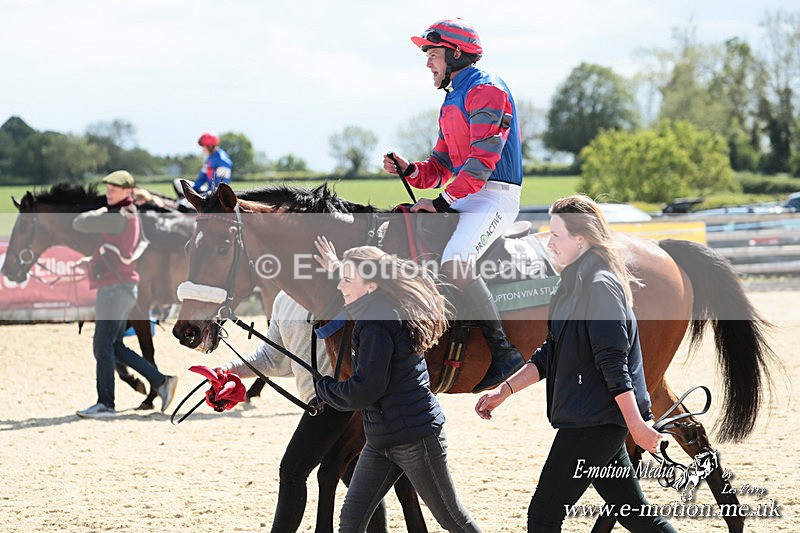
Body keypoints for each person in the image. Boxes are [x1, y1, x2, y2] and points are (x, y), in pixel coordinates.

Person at [474, 195, 677, 532]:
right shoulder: (572, 283)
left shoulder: (599, 286)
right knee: (635, 514)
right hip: (594, 417)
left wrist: (637, 425)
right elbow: (550, 352)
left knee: (544, 514)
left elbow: (613, 363)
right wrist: (504, 391)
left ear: (579, 239)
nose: (548, 243)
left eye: (556, 235)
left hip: (595, 420)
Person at [381, 18, 524, 392]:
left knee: (455, 261)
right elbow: (441, 166)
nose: (428, 63)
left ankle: (504, 352)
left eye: (433, 54)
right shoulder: (451, 100)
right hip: (466, 194)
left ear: (456, 53)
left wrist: (442, 203)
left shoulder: (487, 90)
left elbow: (481, 164)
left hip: (494, 195)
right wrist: (410, 168)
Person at [313, 242, 481, 533]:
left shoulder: (376, 323)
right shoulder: (373, 309)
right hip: (381, 439)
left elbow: (366, 389)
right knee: (351, 520)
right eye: (341, 277)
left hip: (414, 440)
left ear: (371, 286)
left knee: (453, 519)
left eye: (346, 280)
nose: (340, 285)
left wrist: (324, 388)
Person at [215, 290, 391, 532]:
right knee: (355, 478)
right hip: (318, 401)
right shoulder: (282, 299)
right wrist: (228, 370)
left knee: (292, 470)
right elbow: (272, 358)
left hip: (338, 398)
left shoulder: (335, 291)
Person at [73, 170, 178, 418]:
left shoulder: (118, 216)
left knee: (102, 346)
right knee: (114, 346)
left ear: (127, 192)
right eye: (107, 189)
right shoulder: (126, 215)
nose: (108, 193)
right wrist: (91, 262)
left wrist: (99, 212)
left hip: (114, 290)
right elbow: (117, 252)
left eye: (113, 190)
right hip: (120, 287)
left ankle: (106, 403)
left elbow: (79, 222)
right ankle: (161, 382)